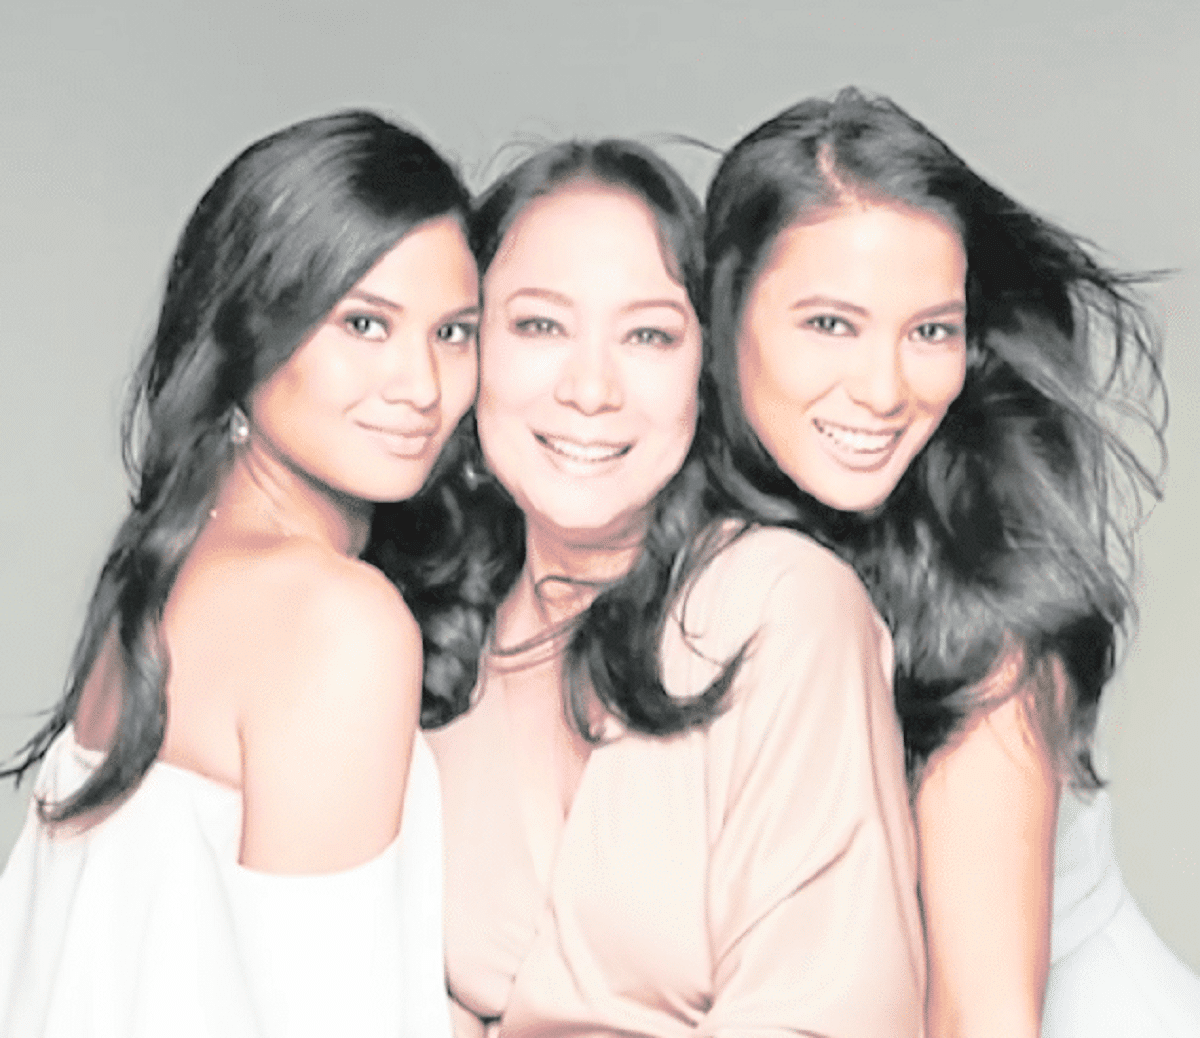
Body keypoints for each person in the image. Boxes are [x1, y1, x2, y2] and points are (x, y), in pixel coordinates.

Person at [371, 139, 924, 1037]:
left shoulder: (780, 606)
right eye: (540, 326)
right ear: (468, 353)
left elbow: (828, 1014)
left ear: (705, 373)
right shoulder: (430, 647)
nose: (591, 389)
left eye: (649, 335)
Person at [703, 86, 1200, 1037]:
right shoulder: (711, 557)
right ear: (725, 313)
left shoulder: (982, 606)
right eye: (831, 324)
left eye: (930, 330)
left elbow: (982, 1018)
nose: (886, 389)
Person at [0, 110, 479, 1038]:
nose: (421, 385)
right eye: (365, 323)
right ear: (249, 329)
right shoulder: (336, 621)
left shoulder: (163, 570)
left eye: (453, 332)